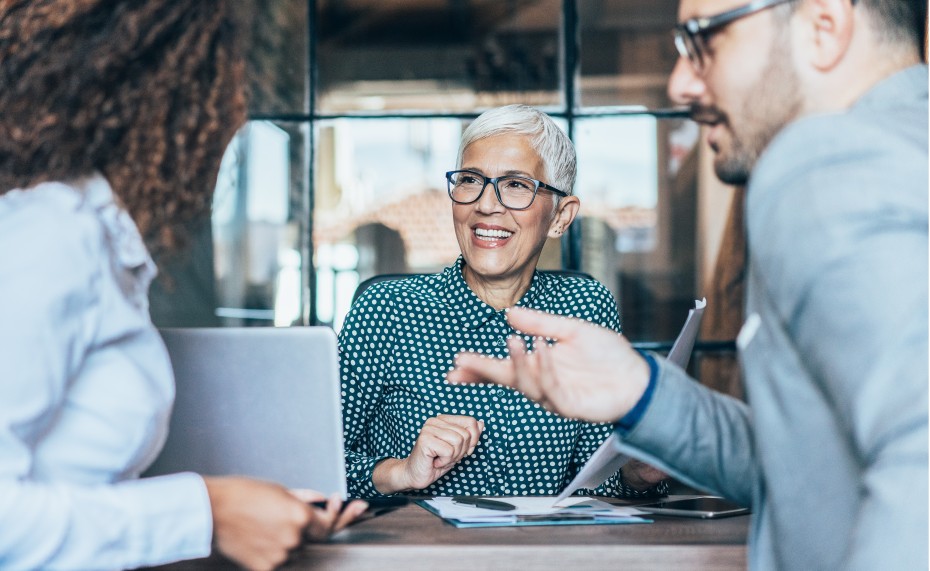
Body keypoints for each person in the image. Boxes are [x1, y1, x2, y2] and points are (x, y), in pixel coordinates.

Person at [449, 0, 928, 569]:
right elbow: (809, 463)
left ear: (824, 27)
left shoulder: (828, 164)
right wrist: (645, 395)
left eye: (705, 40)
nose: (680, 82)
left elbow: (916, 459)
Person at [0, 2, 365, 570]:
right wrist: (208, 514)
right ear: (169, 95)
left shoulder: (102, 241)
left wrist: (241, 509)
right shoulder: (53, 234)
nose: (237, 112)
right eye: (224, 83)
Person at [340, 104, 668, 498]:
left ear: (561, 216)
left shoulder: (585, 307)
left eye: (516, 185)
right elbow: (314, 467)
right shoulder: (386, 310)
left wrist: (636, 473)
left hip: (545, 556)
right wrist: (401, 472)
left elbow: (594, 482)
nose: (486, 204)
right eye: (470, 180)